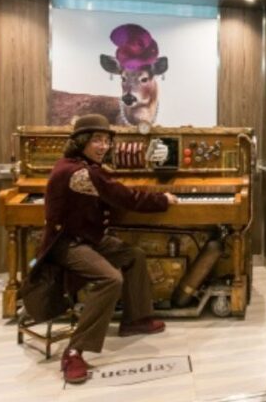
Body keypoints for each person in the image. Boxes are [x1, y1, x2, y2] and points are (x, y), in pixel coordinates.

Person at [35, 114, 179, 384]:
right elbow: (123, 196)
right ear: (80, 143)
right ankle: (74, 351)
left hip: (88, 238)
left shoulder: (84, 166)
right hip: (67, 243)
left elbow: (111, 192)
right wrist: (163, 198)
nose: (103, 146)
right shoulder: (78, 172)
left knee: (133, 255)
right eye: (96, 141)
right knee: (110, 278)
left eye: (106, 141)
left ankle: (135, 319)